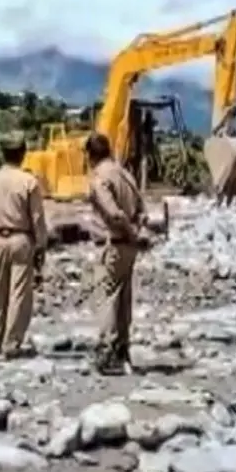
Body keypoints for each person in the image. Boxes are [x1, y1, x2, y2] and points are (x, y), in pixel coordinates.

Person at [0, 131, 47, 358]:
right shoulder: (29, 181)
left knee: (0, 291)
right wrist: (40, 246)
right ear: (23, 153)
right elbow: (37, 218)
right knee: (19, 293)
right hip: (21, 239)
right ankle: (11, 342)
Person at [85, 132, 146, 375]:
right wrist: (138, 233)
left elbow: (114, 213)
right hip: (129, 247)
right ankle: (123, 348)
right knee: (124, 298)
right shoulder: (124, 173)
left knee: (108, 297)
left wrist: (130, 233)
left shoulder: (100, 178)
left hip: (114, 243)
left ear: (90, 155)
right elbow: (141, 208)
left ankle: (107, 352)